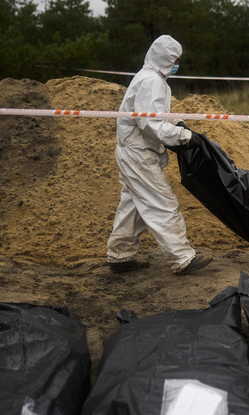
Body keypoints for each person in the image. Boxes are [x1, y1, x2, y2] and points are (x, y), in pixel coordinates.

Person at [106, 35, 212, 274]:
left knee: (133, 205)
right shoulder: (151, 81)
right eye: (174, 59)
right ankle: (182, 257)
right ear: (165, 58)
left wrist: (179, 124)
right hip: (138, 154)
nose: (177, 64)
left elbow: (156, 114)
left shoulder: (154, 79)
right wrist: (184, 137)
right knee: (161, 203)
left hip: (134, 152)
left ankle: (120, 256)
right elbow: (150, 124)